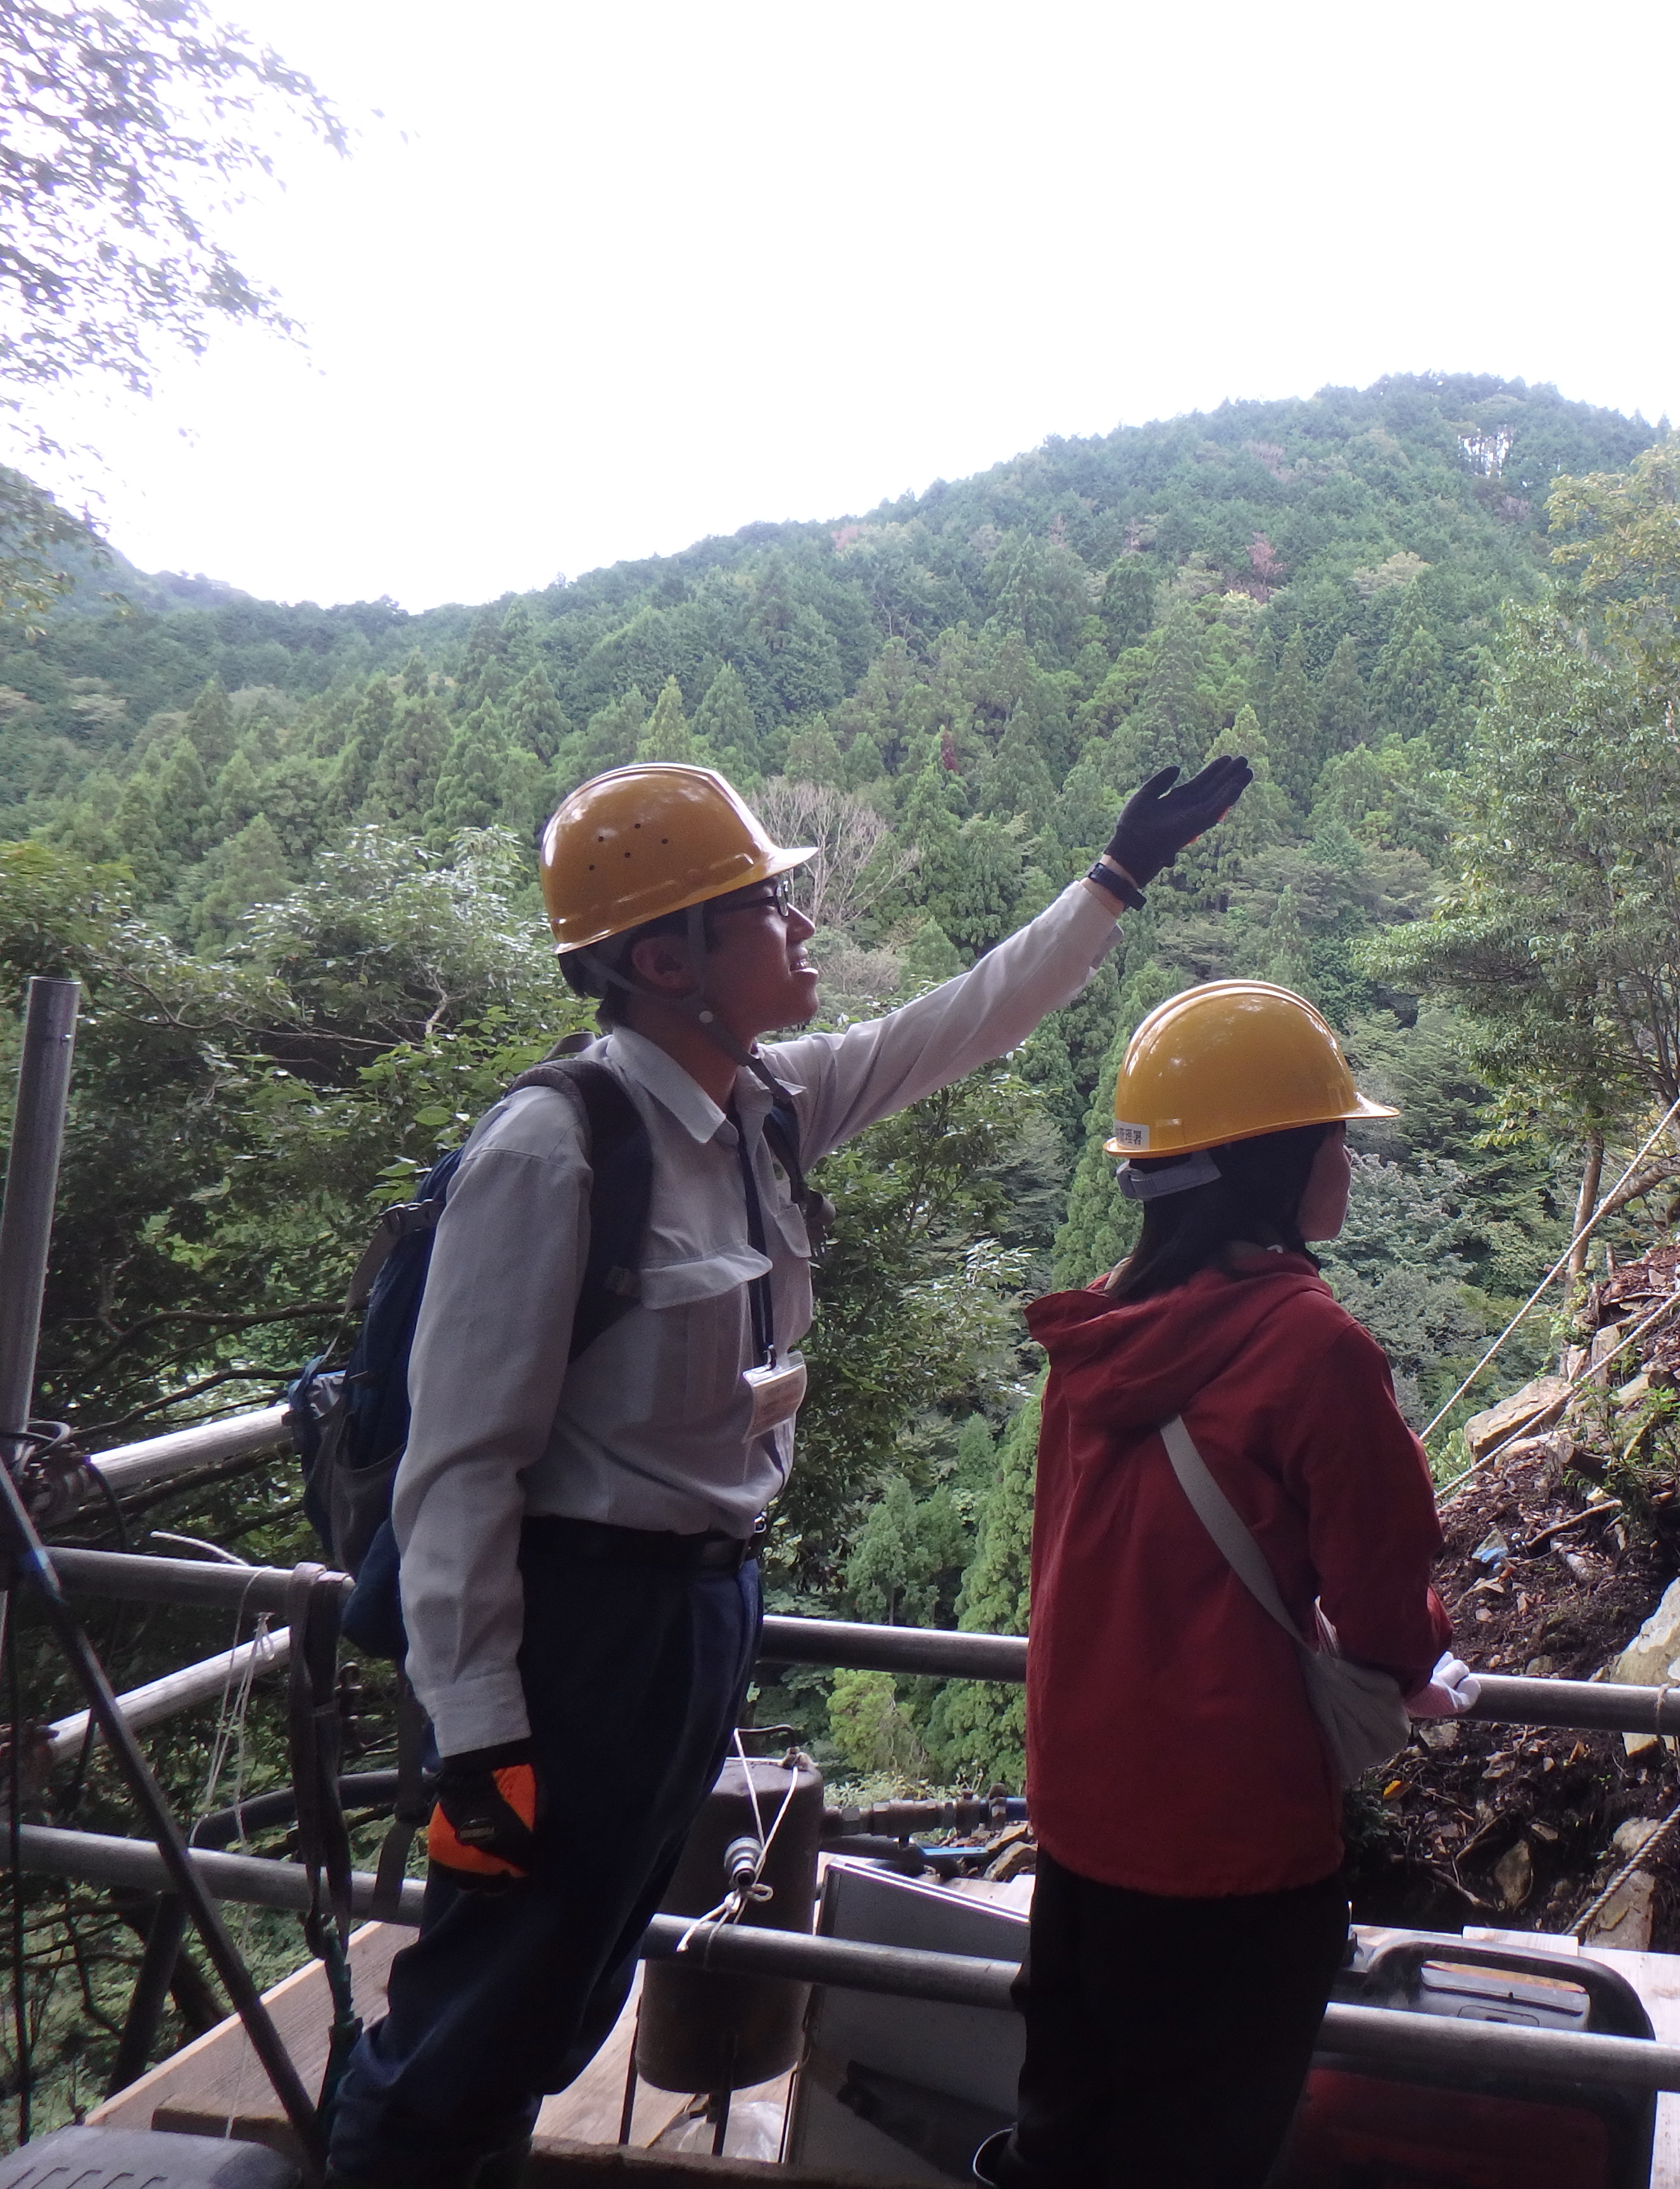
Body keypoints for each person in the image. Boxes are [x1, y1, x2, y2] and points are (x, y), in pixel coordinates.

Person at [326, 756, 1249, 2188]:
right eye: (768, 904)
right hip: (571, 1636)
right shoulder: (556, 1146)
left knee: (571, 1988)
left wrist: (1113, 879)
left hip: (696, 1616)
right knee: (483, 2007)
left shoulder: (762, 1105)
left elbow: (964, 1020)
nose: (802, 928)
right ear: (662, 956)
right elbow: (457, 1473)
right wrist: (482, 1731)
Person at [975, 980, 1461, 2189]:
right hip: (1231, 1837)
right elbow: (1382, 1586)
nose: (1346, 1160)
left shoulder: (1098, 1333)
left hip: (1083, 1815)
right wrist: (1417, 1671)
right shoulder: (1312, 1348)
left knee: (1071, 2140)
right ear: (1272, 1165)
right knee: (1203, 2149)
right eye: (1332, 1136)